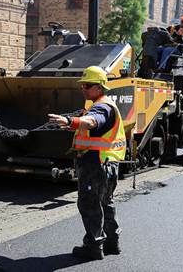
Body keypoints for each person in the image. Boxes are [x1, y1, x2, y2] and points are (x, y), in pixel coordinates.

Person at [48, 66, 126, 261]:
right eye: (82, 85)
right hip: (107, 163)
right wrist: (72, 126)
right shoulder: (105, 105)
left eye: (87, 85)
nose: (83, 88)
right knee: (105, 202)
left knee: (90, 204)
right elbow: (93, 130)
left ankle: (93, 246)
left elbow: (92, 122)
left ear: (100, 87)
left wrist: (70, 119)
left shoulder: (102, 107)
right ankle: (111, 243)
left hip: (96, 165)